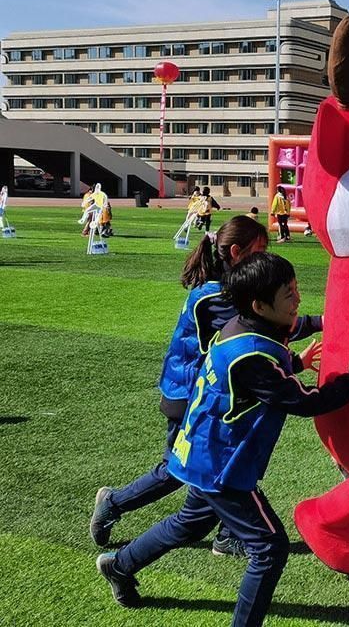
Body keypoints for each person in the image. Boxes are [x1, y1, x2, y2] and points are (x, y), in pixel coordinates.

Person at [95, 252, 349, 627]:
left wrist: (295, 362)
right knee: (270, 548)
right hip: (220, 463)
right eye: (289, 294)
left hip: (201, 450)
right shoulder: (250, 352)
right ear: (260, 305)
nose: (298, 299)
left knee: (192, 523)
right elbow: (302, 401)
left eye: (296, 288)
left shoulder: (242, 326)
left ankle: (120, 565)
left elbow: (259, 383)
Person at [90, 216, 289, 558]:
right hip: (188, 397)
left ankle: (226, 534)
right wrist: (323, 323)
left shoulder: (228, 288)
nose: (264, 260)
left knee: (225, 460)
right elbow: (263, 324)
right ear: (237, 253)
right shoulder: (218, 296)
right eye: (260, 252)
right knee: (179, 470)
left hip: (202, 394)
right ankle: (114, 503)